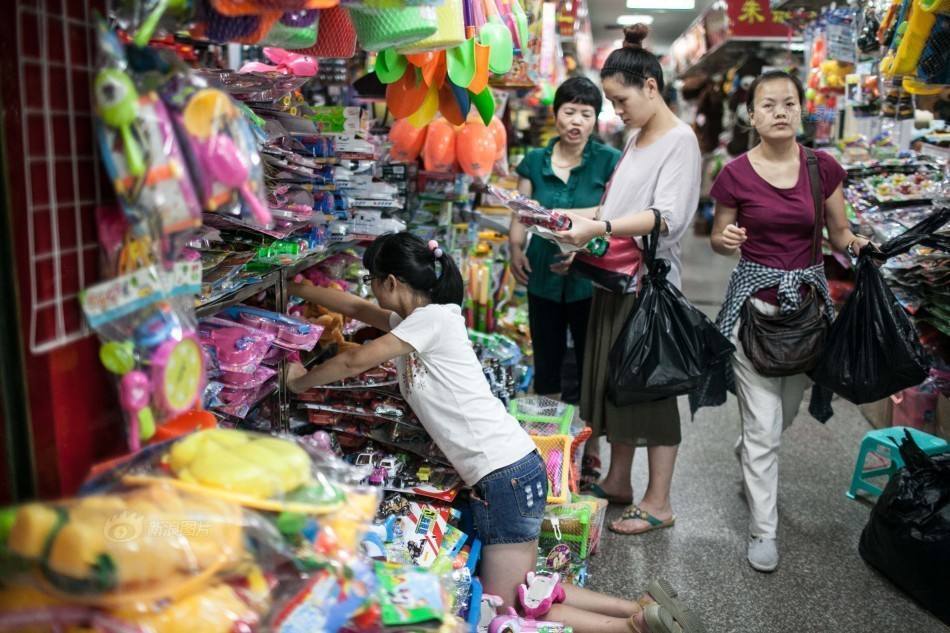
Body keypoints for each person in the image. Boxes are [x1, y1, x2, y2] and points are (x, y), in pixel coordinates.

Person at [286, 233, 703, 633]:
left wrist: (299, 381)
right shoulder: (419, 318)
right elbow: (356, 307)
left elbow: (353, 361)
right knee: (531, 587)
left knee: (508, 608)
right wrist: (295, 286)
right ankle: (641, 609)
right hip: (510, 469)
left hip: (503, 477)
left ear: (391, 282)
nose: (370, 290)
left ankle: (631, 628)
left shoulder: (429, 322)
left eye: (372, 281)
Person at [706, 70, 871, 572]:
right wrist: (725, 241)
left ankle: (752, 451)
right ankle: (763, 531)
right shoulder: (734, 174)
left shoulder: (823, 169)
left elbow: (840, 234)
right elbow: (718, 235)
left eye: (789, 103)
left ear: (801, 111)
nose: (780, 111)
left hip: (807, 315)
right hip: (753, 315)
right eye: (768, 104)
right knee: (764, 426)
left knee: (784, 416)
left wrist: (864, 247)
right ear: (752, 115)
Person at [552, 25, 702, 537]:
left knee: (650, 392)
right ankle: (618, 481)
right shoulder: (639, 139)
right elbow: (614, 208)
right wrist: (563, 219)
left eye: (620, 100)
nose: (617, 111)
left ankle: (659, 500)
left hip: (649, 291)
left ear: (651, 87)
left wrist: (602, 227)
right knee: (617, 385)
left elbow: (668, 217)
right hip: (616, 282)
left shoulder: (680, 141)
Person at [510, 77, 621, 430]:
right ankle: (548, 443)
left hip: (591, 277)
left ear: (595, 119)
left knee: (593, 363)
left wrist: (580, 239)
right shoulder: (534, 160)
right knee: (546, 359)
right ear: (556, 113)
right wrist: (514, 247)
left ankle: (590, 447)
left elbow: (614, 213)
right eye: (569, 111)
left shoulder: (610, 161)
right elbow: (521, 209)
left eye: (585, 114)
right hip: (541, 273)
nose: (576, 121)